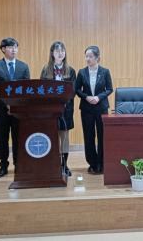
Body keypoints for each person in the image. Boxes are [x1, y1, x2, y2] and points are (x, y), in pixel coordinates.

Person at [0, 38, 30, 178]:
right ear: (3, 49)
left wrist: (16, 104)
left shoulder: (23, 67)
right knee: (3, 138)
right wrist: (6, 103)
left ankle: (18, 164)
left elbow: (26, 88)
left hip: (19, 110)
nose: (14, 49)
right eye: (10, 47)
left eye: (16, 47)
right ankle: (3, 165)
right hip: (2, 109)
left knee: (18, 138)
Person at [40, 42, 76, 177]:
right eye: (57, 51)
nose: (60, 53)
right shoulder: (46, 70)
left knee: (64, 137)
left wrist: (63, 102)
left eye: (62, 51)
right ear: (52, 53)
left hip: (66, 110)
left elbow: (72, 91)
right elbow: (42, 90)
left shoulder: (70, 70)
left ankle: (64, 165)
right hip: (51, 110)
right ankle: (54, 165)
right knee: (52, 137)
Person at [75, 46, 113, 174]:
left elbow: (109, 89)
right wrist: (86, 97)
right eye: (86, 56)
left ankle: (101, 163)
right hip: (86, 109)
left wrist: (98, 97)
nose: (88, 59)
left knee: (102, 136)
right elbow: (77, 90)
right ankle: (92, 163)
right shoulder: (81, 72)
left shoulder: (105, 72)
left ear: (97, 58)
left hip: (101, 108)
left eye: (90, 57)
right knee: (89, 136)